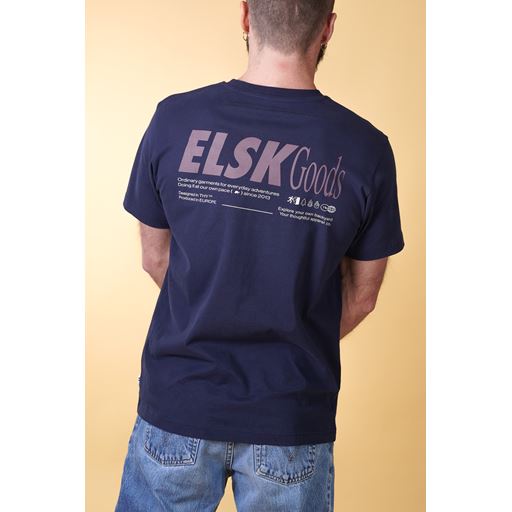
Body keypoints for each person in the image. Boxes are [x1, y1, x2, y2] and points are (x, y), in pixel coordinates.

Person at [114, 0, 405, 510]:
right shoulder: (367, 149)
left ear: (246, 16)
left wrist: (214, 310)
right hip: (290, 415)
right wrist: (290, 331)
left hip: (180, 401)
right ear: (327, 28)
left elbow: (155, 258)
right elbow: (362, 296)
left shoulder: (175, 119)